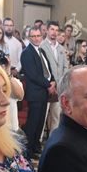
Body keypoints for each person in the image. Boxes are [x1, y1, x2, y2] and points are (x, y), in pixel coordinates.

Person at [20, 26, 54, 159]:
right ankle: (28, 151)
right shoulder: (26, 53)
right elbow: (33, 75)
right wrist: (48, 85)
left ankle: (35, 147)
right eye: (33, 36)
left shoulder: (41, 50)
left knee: (40, 123)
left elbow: (48, 69)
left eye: (38, 36)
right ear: (29, 38)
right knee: (33, 123)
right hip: (35, 93)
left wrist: (53, 81)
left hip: (44, 92)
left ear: (42, 37)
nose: (36, 38)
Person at [40, 21, 68, 135]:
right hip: (46, 87)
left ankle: (53, 140)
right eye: (52, 29)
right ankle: (39, 139)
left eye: (56, 30)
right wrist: (50, 83)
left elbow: (65, 66)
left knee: (56, 116)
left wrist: (60, 82)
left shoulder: (61, 48)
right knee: (43, 117)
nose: (54, 32)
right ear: (47, 30)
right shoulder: (42, 46)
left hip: (59, 87)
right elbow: (42, 67)